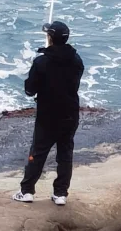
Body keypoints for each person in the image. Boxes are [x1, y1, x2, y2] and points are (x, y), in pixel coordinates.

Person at [13, 20, 83, 205]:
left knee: (38, 152)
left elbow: (30, 90)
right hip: (70, 114)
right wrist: (48, 54)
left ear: (50, 38)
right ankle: (60, 194)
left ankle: (27, 191)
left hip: (48, 116)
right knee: (65, 154)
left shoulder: (42, 62)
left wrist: (44, 58)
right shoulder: (76, 60)